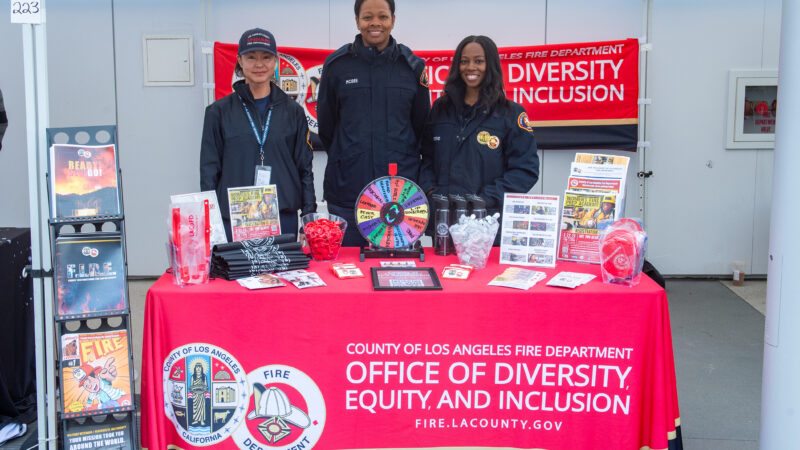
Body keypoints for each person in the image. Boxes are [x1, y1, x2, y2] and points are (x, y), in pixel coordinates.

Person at [317, 0, 430, 246]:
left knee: (397, 275)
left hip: (399, 196)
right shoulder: (337, 66)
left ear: (393, 20)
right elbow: (327, 127)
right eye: (368, 17)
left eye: (383, 16)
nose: (375, 23)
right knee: (346, 274)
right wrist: (348, 154)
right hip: (348, 190)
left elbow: (421, 127)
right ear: (357, 20)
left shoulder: (412, 67)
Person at [418, 35, 539, 244]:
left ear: (490, 65)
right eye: (464, 61)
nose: (470, 67)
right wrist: (431, 191)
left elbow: (525, 170)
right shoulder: (441, 109)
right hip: (444, 221)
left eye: (478, 61)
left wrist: (485, 199)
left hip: (487, 224)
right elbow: (426, 157)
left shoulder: (510, 113)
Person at [201, 28, 316, 241]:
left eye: (266, 57)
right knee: (236, 274)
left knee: (283, 276)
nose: (259, 64)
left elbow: (304, 169)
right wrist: (212, 223)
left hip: (283, 217)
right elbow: (209, 172)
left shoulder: (294, 112)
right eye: (251, 57)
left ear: (275, 62)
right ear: (240, 61)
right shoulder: (218, 112)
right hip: (235, 219)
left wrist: (308, 219)